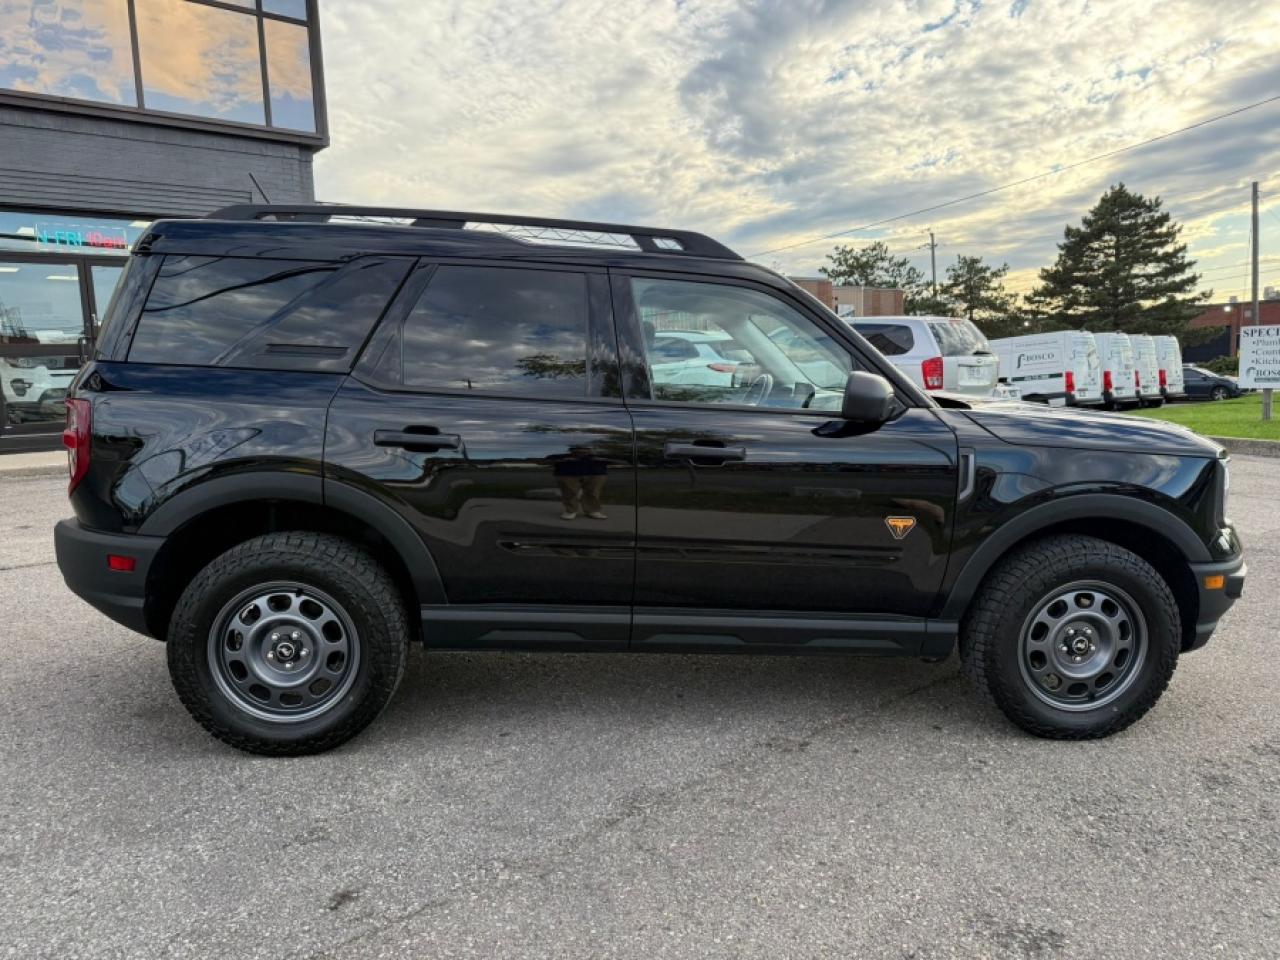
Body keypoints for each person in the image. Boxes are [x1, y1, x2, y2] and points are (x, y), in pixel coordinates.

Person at [550, 444, 609, 520]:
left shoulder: (599, 456)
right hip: (566, 473)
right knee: (569, 493)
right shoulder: (558, 456)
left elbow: (620, 461)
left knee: (593, 493)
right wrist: (562, 460)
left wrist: (603, 459)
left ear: (589, 449)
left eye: (584, 448)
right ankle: (570, 511)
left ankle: (593, 511)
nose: (580, 450)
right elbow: (545, 462)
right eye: (577, 448)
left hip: (596, 473)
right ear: (571, 449)